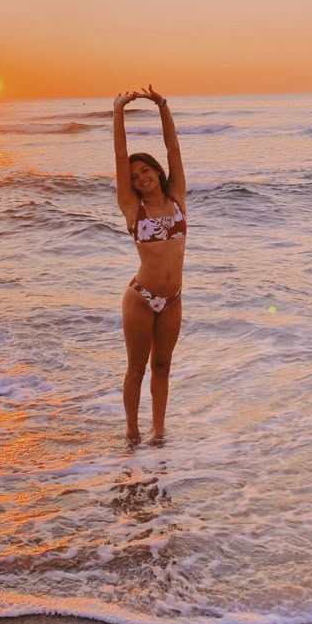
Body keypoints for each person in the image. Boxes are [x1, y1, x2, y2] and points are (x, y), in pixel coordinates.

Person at [113, 85, 187, 444]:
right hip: (141, 298)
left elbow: (173, 148)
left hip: (173, 298)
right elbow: (120, 153)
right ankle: (132, 432)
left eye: (145, 172)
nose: (141, 179)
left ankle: (158, 432)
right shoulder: (132, 208)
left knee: (163, 367)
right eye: (134, 178)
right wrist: (118, 111)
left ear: (156, 172)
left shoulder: (177, 198)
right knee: (137, 369)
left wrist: (162, 106)